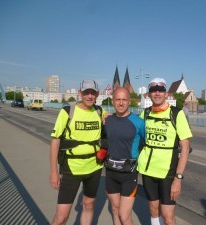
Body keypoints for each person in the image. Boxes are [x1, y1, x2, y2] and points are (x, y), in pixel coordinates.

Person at [50, 80, 107, 225]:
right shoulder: (68, 111)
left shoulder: (100, 111)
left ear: (97, 94)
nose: (89, 96)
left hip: (94, 168)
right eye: (86, 92)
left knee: (88, 205)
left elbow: (118, 119)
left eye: (93, 93)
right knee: (62, 216)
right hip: (71, 168)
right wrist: (54, 172)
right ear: (79, 93)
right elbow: (55, 141)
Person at [137, 78, 193, 225]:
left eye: (160, 90)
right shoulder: (146, 113)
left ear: (166, 93)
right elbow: (133, 131)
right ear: (148, 95)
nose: (157, 93)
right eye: (153, 90)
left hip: (168, 172)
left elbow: (185, 147)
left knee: (168, 217)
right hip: (148, 170)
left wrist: (178, 179)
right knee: (154, 210)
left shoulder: (176, 113)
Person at [104, 87, 145, 225]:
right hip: (110, 173)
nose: (121, 103)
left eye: (124, 100)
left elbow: (146, 144)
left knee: (124, 215)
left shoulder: (138, 122)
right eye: (118, 99)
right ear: (113, 101)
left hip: (129, 175)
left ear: (129, 102)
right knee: (115, 210)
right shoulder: (107, 120)